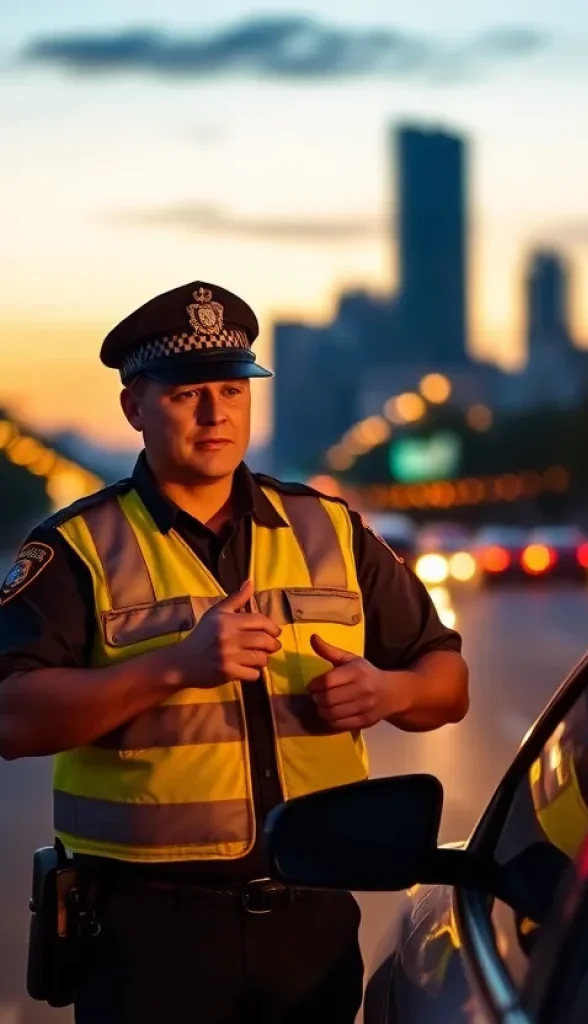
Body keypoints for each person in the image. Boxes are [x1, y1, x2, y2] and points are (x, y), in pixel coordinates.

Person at [0, 281, 470, 1024]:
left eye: (232, 388)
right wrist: (174, 667)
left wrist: (390, 693)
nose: (216, 413)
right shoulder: (76, 548)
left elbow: (447, 678)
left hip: (310, 924)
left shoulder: (330, 529)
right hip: (146, 937)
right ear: (135, 408)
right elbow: (12, 719)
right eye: (189, 393)